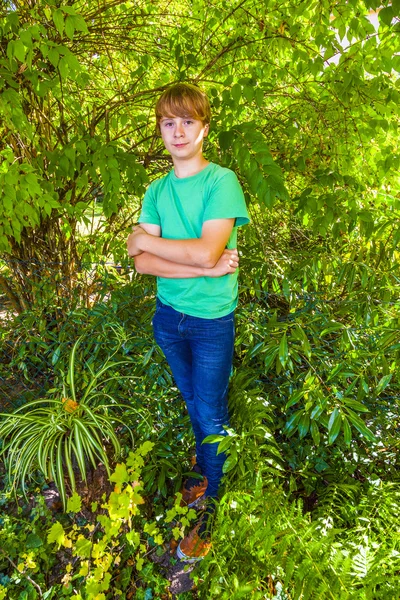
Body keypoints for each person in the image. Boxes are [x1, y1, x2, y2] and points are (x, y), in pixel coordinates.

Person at [127, 82, 249, 562]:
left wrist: (152, 242)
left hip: (210, 322)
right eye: (168, 122)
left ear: (204, 127)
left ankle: (214, 511)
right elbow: (140, 264)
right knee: (195, 404)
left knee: (211, 413)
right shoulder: (156, 189)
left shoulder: (222, 182)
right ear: (160, 129)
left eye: (187, 122)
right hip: (168, 318)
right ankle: (210, 476)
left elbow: (199, 248)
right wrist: (201, 264)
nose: (177, 132)